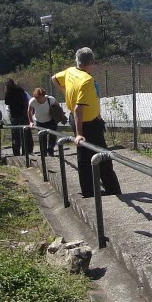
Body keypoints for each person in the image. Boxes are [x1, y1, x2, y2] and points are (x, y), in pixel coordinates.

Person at [52, 47, 121, 198]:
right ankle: (112, 190)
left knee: (84, 157)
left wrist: (67, 93)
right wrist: (79, 134)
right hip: (87, 124)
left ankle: (88, 191)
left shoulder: (70, 71)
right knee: (103, 157)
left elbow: (54, 78)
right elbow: (78, 109)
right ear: (91, 63)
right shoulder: (86, 80)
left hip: (84, 119)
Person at [3, 78, 33, 157]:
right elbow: (25, 100)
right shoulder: (20, 90)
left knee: (16, 135)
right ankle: (26, 151)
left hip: (14, 115)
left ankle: (16, 152)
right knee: (25, 133)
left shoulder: (8, 92)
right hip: (23, 114)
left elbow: (6, 102)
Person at [28, 86, 60, 156]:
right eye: (37, 99)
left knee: (52, 137)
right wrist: (31, 122)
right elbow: (29, 111)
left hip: (51, 121)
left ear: (43, 96)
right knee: (42, 138)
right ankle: (44, 154)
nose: (38, 100)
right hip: (40, 122)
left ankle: (50, 151)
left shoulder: (50, 99)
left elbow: (58, 106)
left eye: (40, 98)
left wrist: (58, 114)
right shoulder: (32, 101)